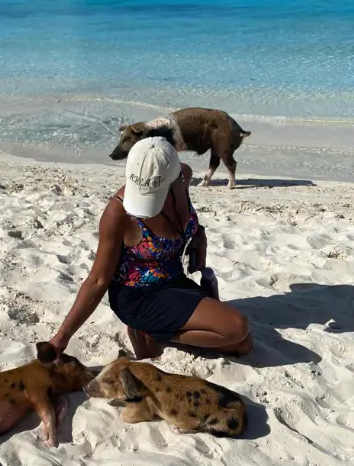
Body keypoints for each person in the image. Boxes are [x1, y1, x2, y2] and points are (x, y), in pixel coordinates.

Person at [49, 136, 252, 359]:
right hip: (139, 297)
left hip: (174, 281)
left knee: (243, 344)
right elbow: (97, 280)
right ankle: (151, 331)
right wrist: (61, 338)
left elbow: (186, 216)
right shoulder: (118, 213)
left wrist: (198, 234)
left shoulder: (183, 176)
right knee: (236, 326)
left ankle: (159, 331)